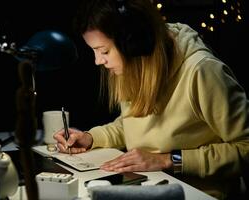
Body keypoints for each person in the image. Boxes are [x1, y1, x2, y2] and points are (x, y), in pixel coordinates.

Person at [54, 0, 249, 199]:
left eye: (104, 51)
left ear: (133, 43)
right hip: (151, 186)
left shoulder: (203, 72)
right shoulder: (136, 67)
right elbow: (133, 123)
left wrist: (170, 160)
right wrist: (91, 137)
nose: (98, 61)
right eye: (94, 51)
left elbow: (245, 147)